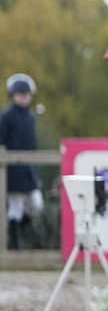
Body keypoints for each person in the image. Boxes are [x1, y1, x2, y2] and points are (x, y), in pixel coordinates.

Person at [3, 73, 42, 250]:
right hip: (12, 169)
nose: (23, 97)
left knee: (36, 204)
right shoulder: (7, 116)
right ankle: (14, 243)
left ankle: (18, 232)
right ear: (13, 95)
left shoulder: (31, 117)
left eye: (26, 94)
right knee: (15, 207)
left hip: (28, 168)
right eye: (20, 94)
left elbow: (32, 145)